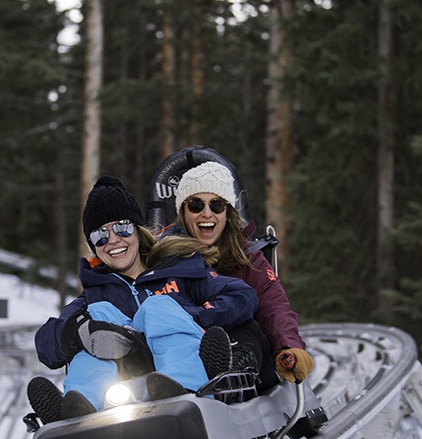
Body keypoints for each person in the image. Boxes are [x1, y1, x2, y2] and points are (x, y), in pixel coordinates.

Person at [30, 176, 259, 424]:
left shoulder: (178, 270)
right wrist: (77, 333)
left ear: (138, 230)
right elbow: (45, 343)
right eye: (100, 235)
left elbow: (241, 295)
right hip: (125, 383)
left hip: (183, 367)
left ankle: (185, 387)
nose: (113, 240)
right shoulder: (95, 295)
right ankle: (79, 408)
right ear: (93, 246)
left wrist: (190, 316)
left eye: (122, 228)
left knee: (158, 307)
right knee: (96, 319)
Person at [168, 160, 328, 434]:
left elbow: (274, 307)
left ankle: (231, 373)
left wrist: (288, 346)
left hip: (247, 351)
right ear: (183, 212)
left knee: (246, 326)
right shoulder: (169, 261)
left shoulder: (249, 260)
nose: (207, 213)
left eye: (216, 205)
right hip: (189, 349)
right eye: (196, 204)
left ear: (227, 212)